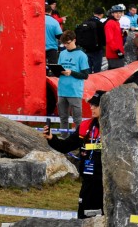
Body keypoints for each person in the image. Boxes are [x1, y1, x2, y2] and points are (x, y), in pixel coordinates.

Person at [44, 91, 105, 219]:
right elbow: (65, 146)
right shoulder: (85, 126)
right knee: (84, 217)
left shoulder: (115, 128)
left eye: (96, 105)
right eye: (91, 104)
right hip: (88, 181)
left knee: (104, 218)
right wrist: (51, 138)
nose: (91, 107)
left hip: (107, 184)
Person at [57, 30, 90, 134]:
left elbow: (85, 75)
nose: (66, 45)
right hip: (62, 90)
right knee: (63, 117)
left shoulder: (81, 55)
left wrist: (71, 72)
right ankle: (63, 138)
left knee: (77, 119)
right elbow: (58, 70)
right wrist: (57, 71)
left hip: (74, 91)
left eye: (68, 43)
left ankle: (78, 139)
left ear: (74, 40)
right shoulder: (62, 53)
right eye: (64, 43)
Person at [75, 7, 106, 74]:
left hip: (86, 49)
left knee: (88, 68)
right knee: (97, 70)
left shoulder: (85, 22)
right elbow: (102, 38)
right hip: (97, 50)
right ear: (102, 14)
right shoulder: (99, 24)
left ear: (93, 13)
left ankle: (88, 82)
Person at [104, 4, 125, 69]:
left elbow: (116, 38)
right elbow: (109, 40)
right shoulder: (110, 23)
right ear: (112, 14)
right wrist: (117, 51)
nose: (118, 14)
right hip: (113, 54)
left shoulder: (116, 22)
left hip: (118, 52)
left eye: (120, 13)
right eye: (116, 13)